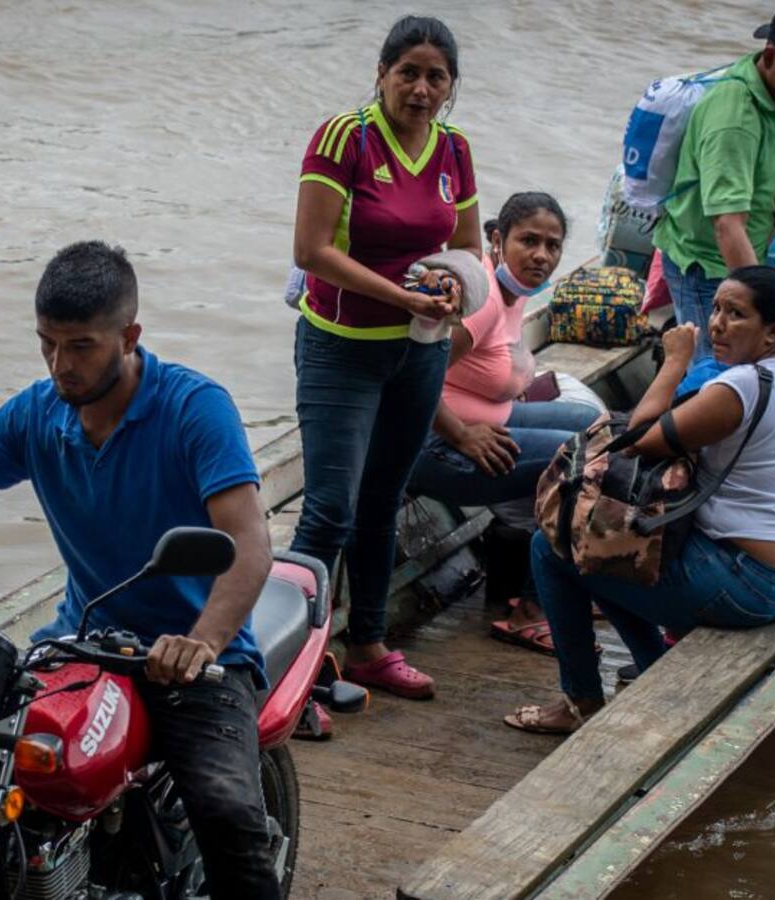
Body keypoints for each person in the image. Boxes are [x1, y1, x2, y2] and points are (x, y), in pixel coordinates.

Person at [0, 242, 281, 898]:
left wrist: (202, 641)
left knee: (228, 812)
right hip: (80, 644)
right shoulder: (35, 414)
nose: (59, 365)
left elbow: (249, 541)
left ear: (129, 337)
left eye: (80, 346)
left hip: (197, 659)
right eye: (46, 343)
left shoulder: (194, 409)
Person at [506, 266, 775, 734]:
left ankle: (580, 700)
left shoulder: (740, 387)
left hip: (741, 584)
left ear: (774, 333)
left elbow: (638, 437)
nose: (718, 324)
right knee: (617, 550)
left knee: (553, 548)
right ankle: (652, 665)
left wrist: (674, 363)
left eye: (737, 314)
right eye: (718, 309)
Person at [290, 15, 480, 699]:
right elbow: (311, 251)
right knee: (329, 511)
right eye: (409, 73)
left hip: (418, 355)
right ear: (382, 73)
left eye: (436, 77)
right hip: (340, 352)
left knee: (383, 501)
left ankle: (367, 644)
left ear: (451, 85)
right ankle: (292, 670)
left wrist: (456, 287)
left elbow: (468, 247)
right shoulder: (345, 138)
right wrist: (402, 296)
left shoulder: (454, 149)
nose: (421, 89)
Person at [407, 192, 598, 651]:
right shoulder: (485, 301)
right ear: (496, 240)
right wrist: (460, 433)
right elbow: (411, 373)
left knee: (597, 426)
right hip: (434, 447)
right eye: (528, 241)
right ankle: (534, 607)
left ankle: (546, 569)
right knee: (582, 461)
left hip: (494, 419)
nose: (541, 255)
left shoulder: (514, 295)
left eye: (552, 246)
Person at [653, 1, 775, 359]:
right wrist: (765, 304)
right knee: (713, 377)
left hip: (746, 259)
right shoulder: (736, 119)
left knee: (742, 374)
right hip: (709, 268)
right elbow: (727, 225)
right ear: (769, 56)